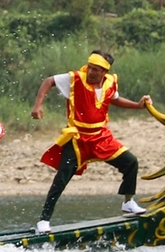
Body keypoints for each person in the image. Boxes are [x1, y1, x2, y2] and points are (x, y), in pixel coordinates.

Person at [31, 50, 152, 231]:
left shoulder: (110, 83)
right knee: (61, 179)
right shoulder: (75, 79)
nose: (91, 72)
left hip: (101, 137)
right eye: (90, 68)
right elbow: (49, 81)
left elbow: (114, 99)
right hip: (78, 139)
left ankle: (128, 202)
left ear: (105, 72)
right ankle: (44, 220)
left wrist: (137, 105)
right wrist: (38, 104)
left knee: (131, 162)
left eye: (96, 70)